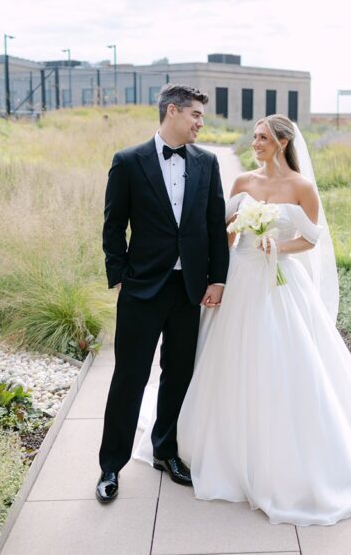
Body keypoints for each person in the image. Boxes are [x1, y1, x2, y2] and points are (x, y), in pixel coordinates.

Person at [133, 114, 351, 526]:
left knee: (282, 358)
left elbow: (311, 239)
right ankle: (203, 444)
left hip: (279, 282)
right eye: (254, 137)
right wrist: (216, 276)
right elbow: (221, 231)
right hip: (239, 277)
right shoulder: (243, 183)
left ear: (280, 141)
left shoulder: (301, 187)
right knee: (226, 358)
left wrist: (278, 247)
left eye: (261, 138)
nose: (254, 143)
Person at [96, 84, 229, 503]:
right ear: (172, 112)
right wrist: (119, 274)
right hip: (142, 288)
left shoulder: (207, 163)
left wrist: (217, 279)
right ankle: (110, 466)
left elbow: (213, 228)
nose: (200, 124)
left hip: (188, 288)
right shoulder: (128, 161)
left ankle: (165, 451)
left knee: (179, 374)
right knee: (130, 376)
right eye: (195, 115)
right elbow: (113, 224)